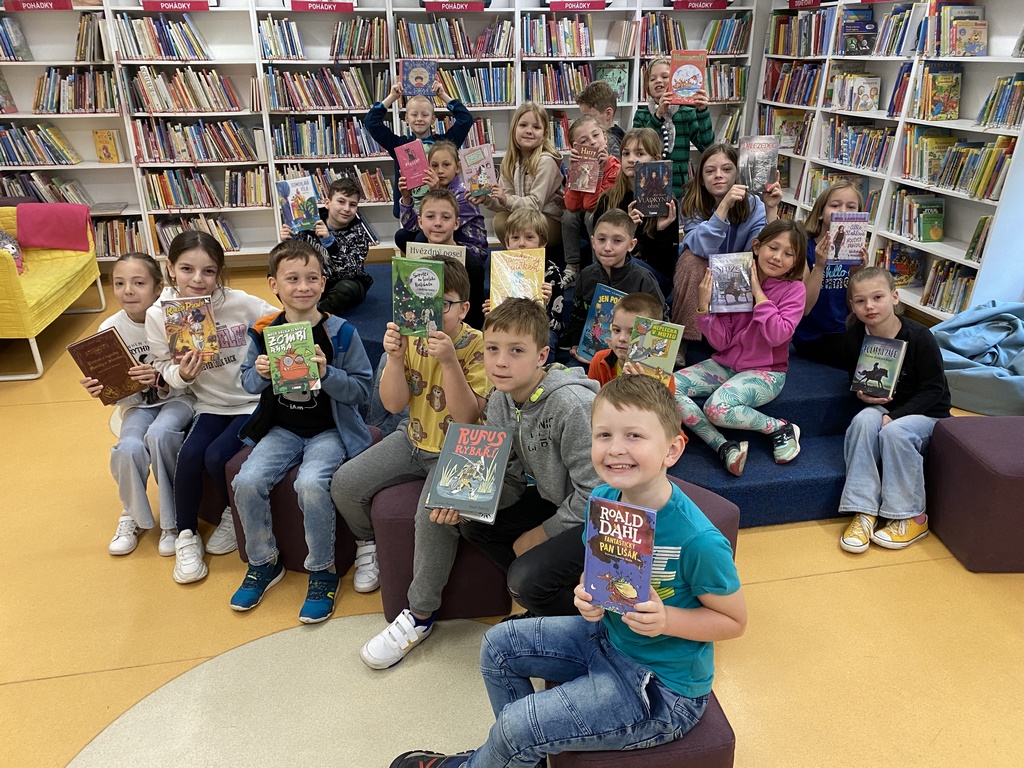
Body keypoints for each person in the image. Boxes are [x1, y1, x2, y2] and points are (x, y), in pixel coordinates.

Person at [390, 374, 746, 768]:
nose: (615, 449)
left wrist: (666, 619)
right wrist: (586, 594)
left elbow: (733, 622)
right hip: (609, 638)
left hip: (663, 690)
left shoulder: (698, 540)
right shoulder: (606, 497)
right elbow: (602, 575)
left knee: (517, 724)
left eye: (634, 436)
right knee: (498, 646)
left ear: (672, 449)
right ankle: (513, 756)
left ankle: (496, 755)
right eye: (604, 435)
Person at [329, 257, 493, 668]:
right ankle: (368, 544)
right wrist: (395, 358)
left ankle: (420, 614)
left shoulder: (478, 345)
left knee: (432, 519)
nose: (431, 313)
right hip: (414, 437)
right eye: (423, 303)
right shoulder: (410, 339)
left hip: (461, 449)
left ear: (464, 309)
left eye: (444, 304)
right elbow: (393, 404)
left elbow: (468, 417)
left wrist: (449, 361)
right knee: (345, 483)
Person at [229, 240, 373, 623]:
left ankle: (323, 570)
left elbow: (362, 390)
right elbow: (246, 383)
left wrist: (328, 373)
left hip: (330, 430)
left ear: (324, 283)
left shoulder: (341, 333)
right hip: (282, 428)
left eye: (312, 278)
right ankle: (263, 562)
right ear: (274, 284)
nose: (303, 287)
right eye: (292, 279)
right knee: (246, 481)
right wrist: (260, 373)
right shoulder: (263, 331)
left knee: (310, 484)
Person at [146, 232, 277, 584]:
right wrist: (182, 375)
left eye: (208, 271)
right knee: (190, 456)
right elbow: (163, 366)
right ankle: (186, 536)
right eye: (186, 269)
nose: (197, 279)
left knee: (218, 456)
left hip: (251, 401)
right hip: (210, 403)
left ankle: (231, 516)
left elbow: (281, 320)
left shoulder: (239, 302)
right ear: (170, 268)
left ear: (219, 272)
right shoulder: (159, 315)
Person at [455, 298, 600, 618]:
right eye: (492, 349)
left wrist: (542, 534)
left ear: (542, 356)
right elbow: (510, 481)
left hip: (601, 517)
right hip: (557, 500)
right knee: (475, 526)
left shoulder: (572, 405)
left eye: (516, 350)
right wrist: (464, 502)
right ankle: (548, 599)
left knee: (523, 580)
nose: (500, 362)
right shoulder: (500, 400)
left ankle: (587, 620)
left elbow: (598, 495)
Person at [673, 220, 807, 476]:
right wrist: (704, 308)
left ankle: (779, 427)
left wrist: (758, 294)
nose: (778, 257)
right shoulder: (733, 276)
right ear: (757, 246)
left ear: (796, 262)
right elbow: (721, 342)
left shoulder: (794, 290)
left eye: (789, 254)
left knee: (716, 409)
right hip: (725, 364)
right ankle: (723, 446)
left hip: (767, 372)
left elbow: (777, 335)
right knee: (667, 387)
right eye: (773, 248)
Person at [81, 253, 194, 557]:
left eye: (138, 283)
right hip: (137, 406)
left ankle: (173, 521)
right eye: (119, 283)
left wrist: (160, 377)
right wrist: (102, 390)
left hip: (180, 399)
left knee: (161, 434)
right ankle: (133, 514)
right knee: (128, 447)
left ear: (158, 288)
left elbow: (191, 376)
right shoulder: (109, 328)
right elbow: (118, 391)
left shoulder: (174, 318)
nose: (128, 291)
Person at [838, 267, 951, 554]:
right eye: (860, 301)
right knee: (863, 421)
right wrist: (863, 395)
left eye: (877, 297)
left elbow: (935, 390)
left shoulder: (920, 336)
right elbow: (856, 379)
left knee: (895, 432)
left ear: (895, 297)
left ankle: (912, 517)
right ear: (852, 305)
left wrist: (895, 416)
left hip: (929, 414)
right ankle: (863, 511)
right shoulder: (855, 335)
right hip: (884, 407)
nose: (869, 306)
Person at [673, 143, 773, 348]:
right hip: (705, 270)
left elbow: (761, 248)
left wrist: (771, 209)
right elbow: (700, 247)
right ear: (701, 179)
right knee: (690, 260)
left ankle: (747, 335)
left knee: (769, 261)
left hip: (739, 271)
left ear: (738, 174)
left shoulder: (755, 205)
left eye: (727, 169)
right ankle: (686, 339)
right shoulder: (692, 203)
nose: (718, 175)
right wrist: (723, 207)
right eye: (710, 171)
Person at [365, 78, 473, 223]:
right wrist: (392, 97)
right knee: (402, 235)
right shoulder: (399, 145)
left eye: (425, 115)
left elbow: (466, 119)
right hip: (411, 213)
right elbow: (371, 122)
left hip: (439, 211)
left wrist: (442, 95)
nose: (419, 119)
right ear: (406, 118)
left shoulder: (444, 144)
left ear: (433, 119)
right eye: (414, 114)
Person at [565, 209, 665, 363]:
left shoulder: (643, 279)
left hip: (632, 358)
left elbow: (660, 321)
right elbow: (578, 314)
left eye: (617, 241)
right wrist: (576, 344)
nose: (607, 247)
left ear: (631, 245)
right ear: (593, 242)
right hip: (590, 353)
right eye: (601, 239)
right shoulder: (586, 275)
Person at [593, 127, 679, 295]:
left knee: (629, 265)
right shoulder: (607, 200)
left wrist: (661, 231)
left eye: (639, 154)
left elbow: (665, 264)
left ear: (655, 159)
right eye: (626, 154)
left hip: (653, 278)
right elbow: (601, 252)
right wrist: (626, 229)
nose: (631, 159)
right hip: (613, 274)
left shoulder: (667, 202)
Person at [793, 181, 868, 369]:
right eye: (835, 205)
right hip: (812, 336)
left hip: (844, 328)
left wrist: (856, 273)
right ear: (820, 212)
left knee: (892, 342)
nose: (843, 211)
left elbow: (853, 306)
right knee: (863, 359)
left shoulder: (853, 248)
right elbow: (804, 308)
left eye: (851, 207)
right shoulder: (804, 246)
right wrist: (819, 265)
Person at [278, 177, 373, 314]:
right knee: (276, 274)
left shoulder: (359, 233)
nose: (346, 209)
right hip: (314, 280)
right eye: (341, 202)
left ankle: (317, 315)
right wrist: (287, 242)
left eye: (352, 204)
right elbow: (294, 260)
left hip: (345, 282)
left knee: (346, 288)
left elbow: (350, 272)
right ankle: (297, 307)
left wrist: (330, 243)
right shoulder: (308, 224)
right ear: (327, 203)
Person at [479, 101, 566, 250]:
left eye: (536, 127)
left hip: (548, 219)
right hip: (524, 217)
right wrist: (487, 199)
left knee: (524, 230)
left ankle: (532, 258)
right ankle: (518, 259)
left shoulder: (546, 161)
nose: (529, 131)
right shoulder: (510, 161)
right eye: (523, 125)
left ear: (545, 134)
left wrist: (506, 200)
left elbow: (535, 205)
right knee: (500, 220)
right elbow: (505, 202)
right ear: (514, 129)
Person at [401, 188, 485, 330]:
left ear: (456, 223)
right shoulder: (414, 259)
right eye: (430, 216)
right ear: (420, 222)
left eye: (446, 217)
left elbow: (475, 317)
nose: (438, 223)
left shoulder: (471, 265)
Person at [632, 56, 714, 198]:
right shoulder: (641, 115)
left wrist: (702, 112)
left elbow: (706, 147)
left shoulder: (686, 113)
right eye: (652, 79)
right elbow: (638, 148)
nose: (658, 81)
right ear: (647, 87)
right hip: (647, 189)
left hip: (679, 190)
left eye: (665, 77)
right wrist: (658, 116)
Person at [398, 140, 488, 269]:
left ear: (457, 167)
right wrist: (406, 197)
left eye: (446, 165)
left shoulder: (464, 194)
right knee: (402, 236)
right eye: (434, 166)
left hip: (469, 252)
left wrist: (435, 192)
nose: (440, 171)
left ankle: (432, 270)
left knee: (422, 238)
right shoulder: (431, 189)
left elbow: (440, 226)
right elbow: (413, 226)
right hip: (443, 239)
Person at [562, 116, 620, 283]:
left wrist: (598, 171)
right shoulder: (580, 166)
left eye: (596, 135)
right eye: (584, 141)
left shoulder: (614, 168)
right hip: (586, 212)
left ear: (605, 137)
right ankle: (572, 266)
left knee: (590, 216)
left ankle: (598, 266)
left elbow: (592, 205)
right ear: (576, 148)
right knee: (568, 216)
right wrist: (576, 171)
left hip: (607, 213)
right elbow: (571, 205)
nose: (593, 142)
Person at [587, 291, 676, 396]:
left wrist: (647, 391)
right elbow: (590, 400)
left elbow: (664, 406)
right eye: (616, 330)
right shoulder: (599, 360)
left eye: (632, 333)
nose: (622, 338)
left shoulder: (662, 375)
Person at [576, 79, 625, 158]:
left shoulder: (608, 143)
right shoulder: (622, 135)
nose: (584, 121)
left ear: (608, 114)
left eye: (588, 117)